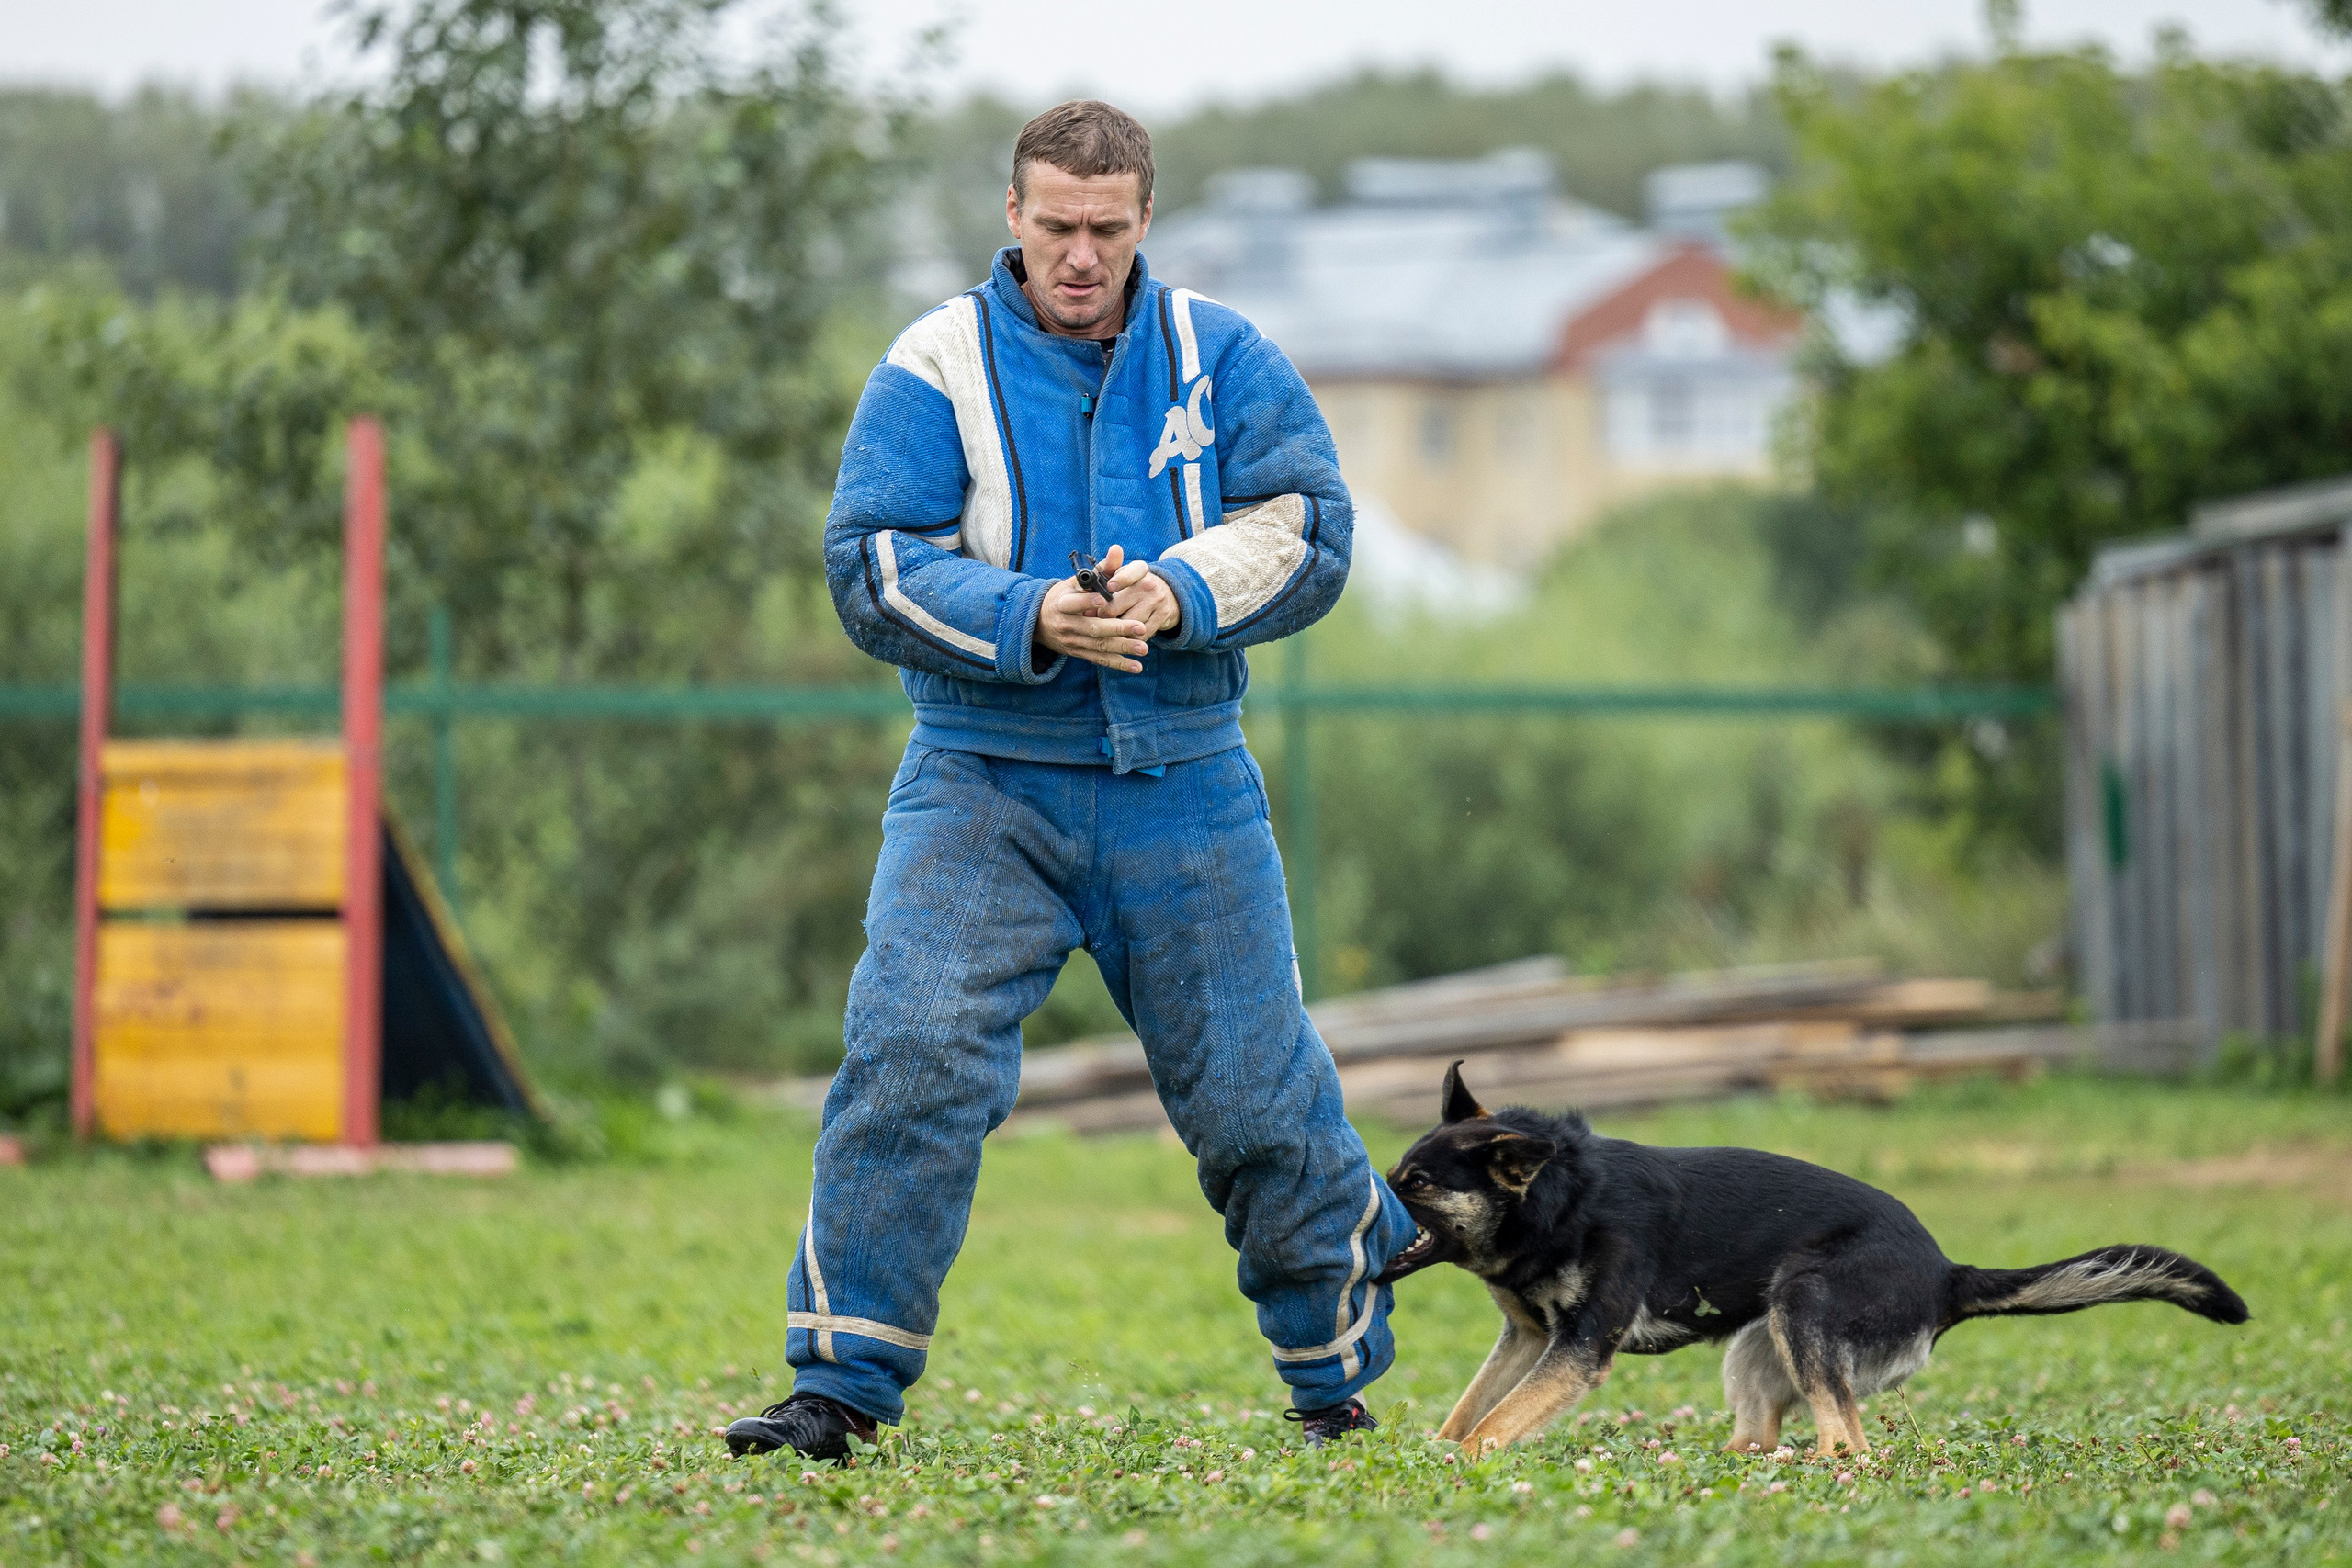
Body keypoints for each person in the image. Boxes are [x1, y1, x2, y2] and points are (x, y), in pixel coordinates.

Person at [724, 99, 1412, 1463]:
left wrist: (1178, 589)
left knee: (1258, 1100)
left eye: (1106, 229)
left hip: (1188, 784)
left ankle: (1333, 1373)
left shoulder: (1226, 355)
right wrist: (1037, 614)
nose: (1080, 254)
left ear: (1145, 221)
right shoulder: (934, 361)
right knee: (908, 1058)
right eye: (1055, 227)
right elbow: (870, 560)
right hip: (982, 784)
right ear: (1013, 216)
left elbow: (1311, 529)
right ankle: (840, 1384)